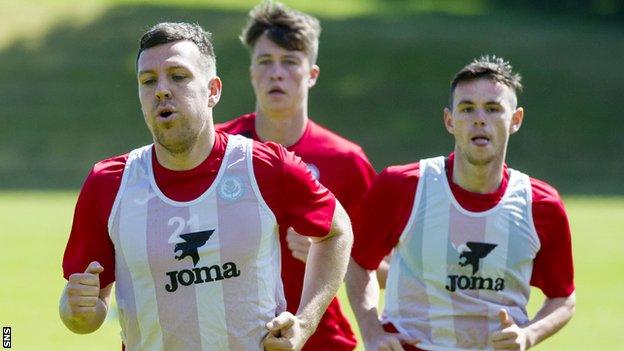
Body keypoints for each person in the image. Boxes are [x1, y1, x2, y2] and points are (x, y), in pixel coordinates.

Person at [59, 22, 353, 351]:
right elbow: (85, 312)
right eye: (148, 81)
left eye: (178, 76)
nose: (161, 90)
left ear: (213, 90)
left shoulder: (267, 167)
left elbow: (337, 231)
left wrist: (305, 321)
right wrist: (75, 310)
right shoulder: (109, 183)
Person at [346, 56, 576, 351]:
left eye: (493, 109)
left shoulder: (541, 205)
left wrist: (529, 334)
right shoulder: (402, 186)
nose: (479, 119)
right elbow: (355, 261)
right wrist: (371, 330)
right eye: (467, 109)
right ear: (450, 120)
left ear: (515, 120)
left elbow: (563, 297)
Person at [217, 2, 376, 350]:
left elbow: (381, 267)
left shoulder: (346, 160)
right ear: (251, 73)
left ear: (312, 74)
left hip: (321, 340)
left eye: (290, 62)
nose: (277, 73)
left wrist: (331, 251)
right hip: (231, 338)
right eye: (265, 62)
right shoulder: (217, 151)